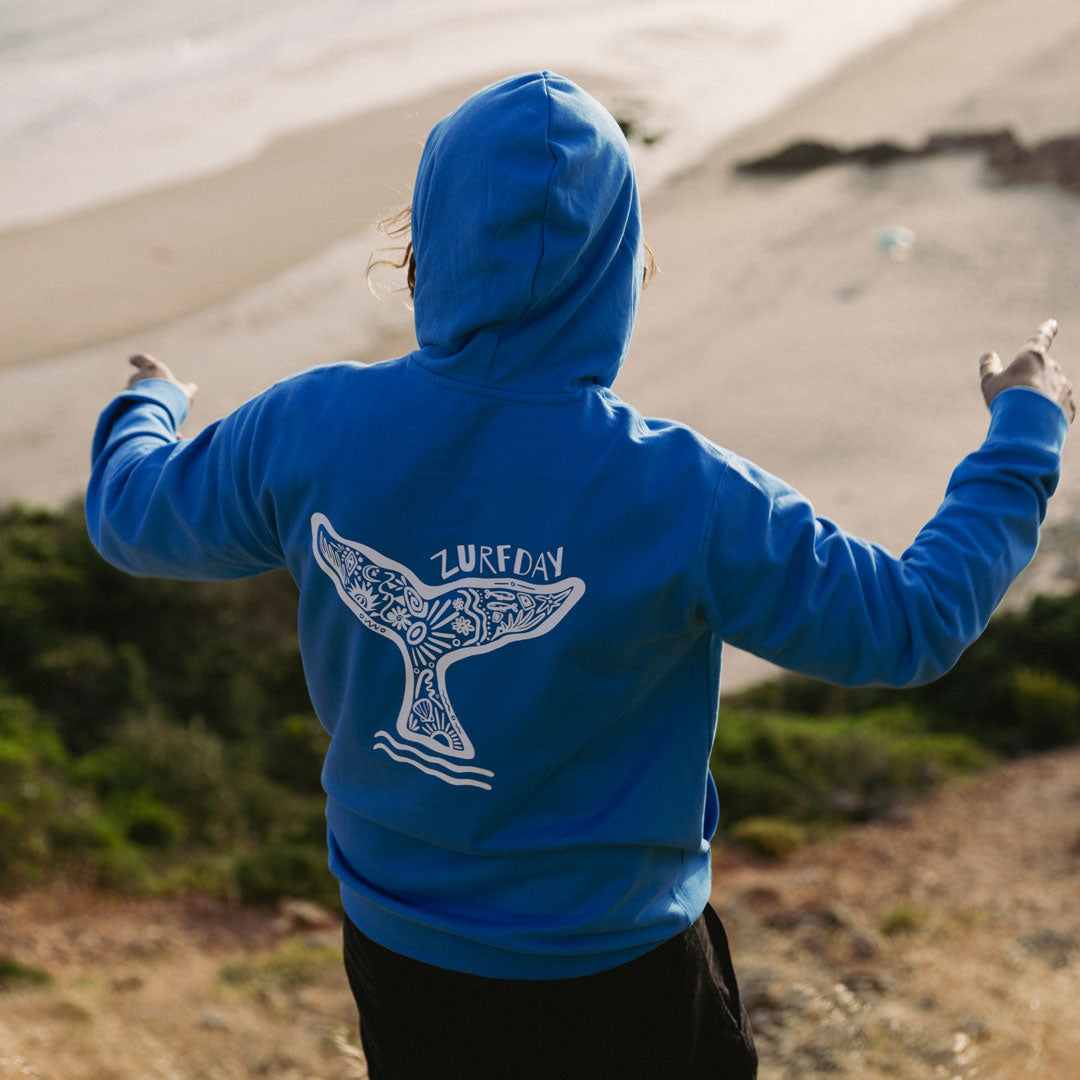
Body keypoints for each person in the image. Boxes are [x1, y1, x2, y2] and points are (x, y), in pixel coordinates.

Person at [86, 71, 1073, 1079]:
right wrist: (1025, 430)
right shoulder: (681, 491)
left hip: (405, 960)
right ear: (617, 272)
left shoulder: (307, 426)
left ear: (424, 253)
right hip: (625, 974)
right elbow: (906, 625)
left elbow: (131, 517)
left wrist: (149, 404)